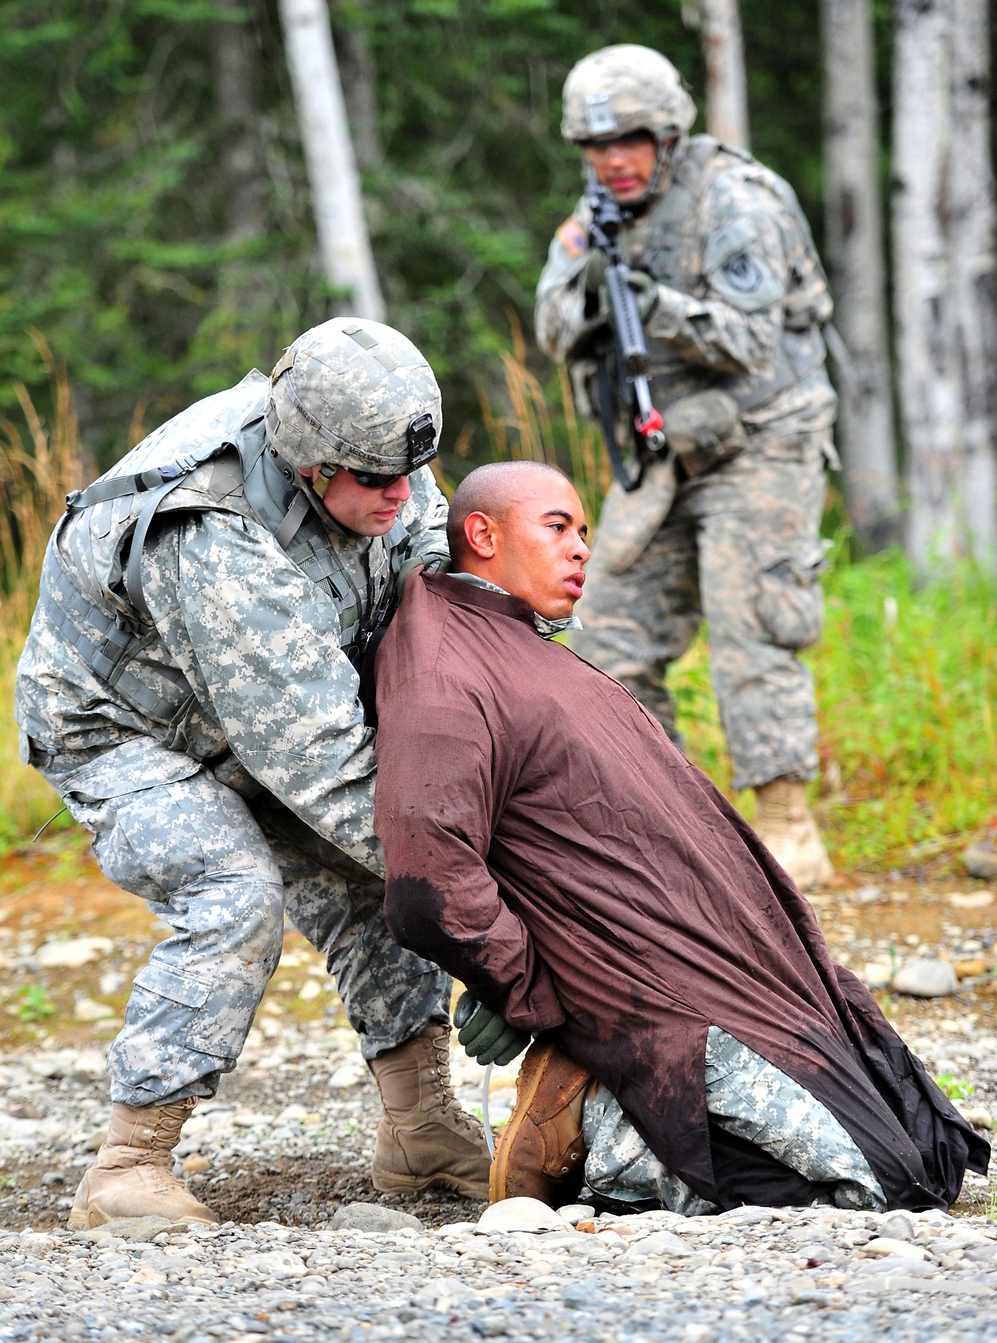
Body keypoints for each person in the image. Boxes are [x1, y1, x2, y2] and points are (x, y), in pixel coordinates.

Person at [372, 460, 989, 1216]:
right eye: (558, 527)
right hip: (645, 999)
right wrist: (531, 994)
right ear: (482, 533)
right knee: (873, 1187)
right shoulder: (443, 665)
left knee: (930, 1148)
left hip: (732, 967)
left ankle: (602, 1090)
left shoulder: (521, 645)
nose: (581, 551)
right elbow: (425, 887)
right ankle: (595, 1118)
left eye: (586, 533)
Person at [15, 318, 490, 1230]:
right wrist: (485, 890)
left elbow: (429, 574)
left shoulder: (376, 446)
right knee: (234, 886)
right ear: (312, 465)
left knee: (368, 869)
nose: (401, 494)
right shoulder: (215, 535)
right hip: (122, 730)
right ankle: (129, 1162)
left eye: (408, 474)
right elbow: (328, 768)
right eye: (376, 482)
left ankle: (421, 1122)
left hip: (256, 704)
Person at [535, 44, 840, 890]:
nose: (612, 160)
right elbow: (554, 327)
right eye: (596, 147)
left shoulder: (738, 200)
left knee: (754, 630)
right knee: (603, 636)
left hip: (758, 443)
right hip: (662, 455)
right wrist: (602, 285)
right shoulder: (595, 215)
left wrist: (651, 301)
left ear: (666, 132)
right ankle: (671, 827)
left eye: (629, 139)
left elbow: (748, 340)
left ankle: (786, 824)